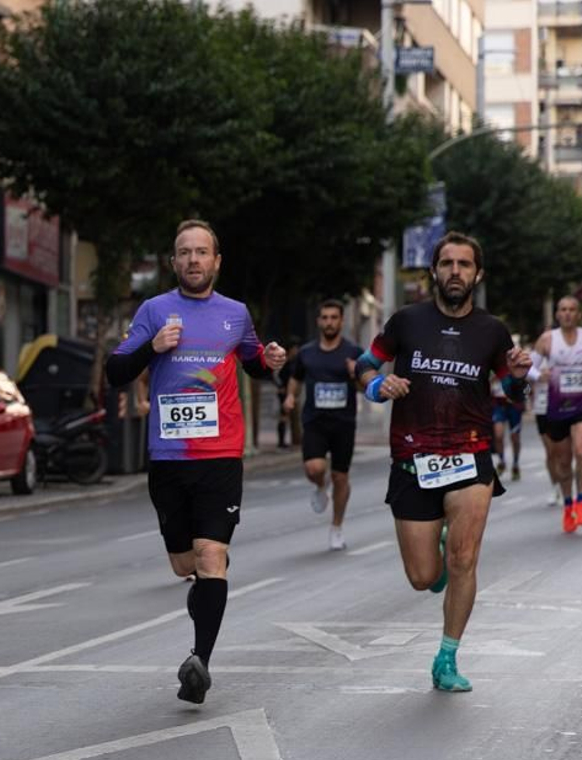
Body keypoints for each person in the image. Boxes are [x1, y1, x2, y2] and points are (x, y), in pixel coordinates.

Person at [106, 219, 288, 705]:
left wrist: (267, 359)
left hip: (221, 455)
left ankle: (199, 663)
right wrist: (152, 347)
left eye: (201, 252)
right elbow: (114, 371)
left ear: (216, 261)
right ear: (173, 262)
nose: (193, 260)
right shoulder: (153, 311)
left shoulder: (236, 314)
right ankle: (204, 594)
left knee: (211, 556)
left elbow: (249, 361)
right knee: (183, 562)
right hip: (169, 456)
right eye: (184, 253)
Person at [355, 232, 532, 692]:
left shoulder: (492, 331)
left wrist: (517, 378)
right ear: (434, 270)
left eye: (465, 264)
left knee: (465, 559)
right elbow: (364, 364)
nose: (456, 272)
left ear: (478, 274)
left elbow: (513, 395)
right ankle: (437, 555)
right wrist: (379, 386)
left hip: (471, 456)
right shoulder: (406, 321)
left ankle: (447, 657)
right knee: (422, 577)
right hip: (414, 459)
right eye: (447, 263)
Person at [284, 299, 362, 550]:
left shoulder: (353, 353)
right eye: (325, 317)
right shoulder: (307, 353)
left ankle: (336, 527)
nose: (329, 322)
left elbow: (364, 387)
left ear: (341, 321)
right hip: (315, 422)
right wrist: (289, 396)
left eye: (333, 317)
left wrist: (354, 374)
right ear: (318, 321)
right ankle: (320, 485)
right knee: (314, 468)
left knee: (341, 476)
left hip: (343, 424)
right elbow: (295, 379)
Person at [531, 296, 582, 532]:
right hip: (556, 409)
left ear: (578, 315)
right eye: (563, 310)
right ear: (557, 314)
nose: (567, 314)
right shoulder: (547, 340)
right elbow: (529, 367)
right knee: (563, 462)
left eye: (572, 310)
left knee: (581, 451)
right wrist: (539, 376)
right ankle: (568, 506)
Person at [489, 373, 524, 483]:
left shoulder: (514, 361)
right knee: (498, 435)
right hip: (498, 404)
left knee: (515, 438)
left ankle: (515, 464)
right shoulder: (490, 361)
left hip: (514, 406)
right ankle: (502, 461)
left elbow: (527, 386)